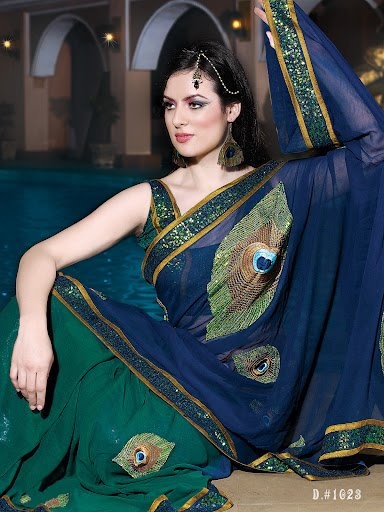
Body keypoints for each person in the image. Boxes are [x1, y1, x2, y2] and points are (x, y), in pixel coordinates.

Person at [1, 1, 384, 510]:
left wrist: (285, 27)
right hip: (168, 366)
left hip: (242, 396)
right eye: (168, 104)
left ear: (233, 109)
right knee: (38, 309)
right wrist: (31, 330)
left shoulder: (282, 188)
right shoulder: (149, 200)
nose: (178, 119)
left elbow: (372, 149)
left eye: (195, 103)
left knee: (114, 443)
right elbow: (40, 255)